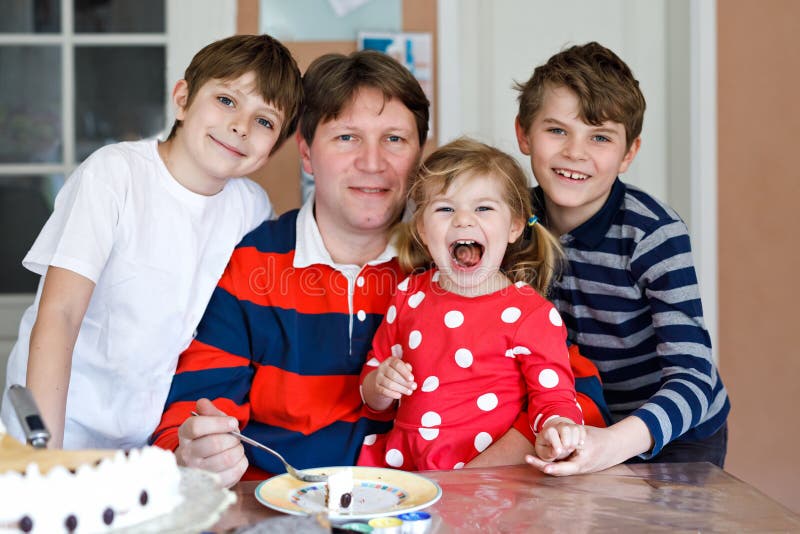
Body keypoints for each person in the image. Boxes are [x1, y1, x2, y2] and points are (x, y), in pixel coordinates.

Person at [151, 51, 550, 488]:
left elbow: (570, 394)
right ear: (306, 152)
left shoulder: (463, 262)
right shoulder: (250, 263)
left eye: (395, 139)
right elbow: (191, 412)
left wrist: (468, 487)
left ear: (420, 157)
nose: (373, 162)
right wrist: (194, 450)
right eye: (346, 137)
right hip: (281, 510)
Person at [0, 33, 303, 450]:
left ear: (274, 148)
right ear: (182, 98)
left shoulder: (250, 208)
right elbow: (61, 315)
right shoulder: (115, 174)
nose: (240, 126)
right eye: (227, 100)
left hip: (145, 439)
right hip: (57, 425)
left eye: (265, 121)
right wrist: (45, 454)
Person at [514, 42, 730, 475]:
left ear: (628, 153)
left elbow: (694, 379)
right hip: (570, 428)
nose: (575, 152)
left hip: (672, 435)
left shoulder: (652, 234)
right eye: (557, 130)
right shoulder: (508, 225)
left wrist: (614, 443)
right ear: (523, 134)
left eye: (600, 137)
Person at [356, 137, 589, 471]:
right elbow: (373, 395)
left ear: (514, 226)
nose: (463, 220)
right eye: (445, 209)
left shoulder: (531, 314)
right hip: (406, 475)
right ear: (422, 228)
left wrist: (557, 428)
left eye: (483, 208)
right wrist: (380, 384)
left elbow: (553, 398)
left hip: (489, 487)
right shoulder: (409, 294)